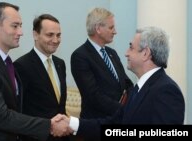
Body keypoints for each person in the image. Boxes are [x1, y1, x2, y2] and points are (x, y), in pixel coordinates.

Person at [0, 2, 70, 141]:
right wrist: (49, 126)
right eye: (15, 26)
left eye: (20, 26)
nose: (21, 32)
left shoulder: (4, 61)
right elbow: (1, 116)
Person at [55, 26, 185, 140]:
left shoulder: (166, 91)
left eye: (131, 47)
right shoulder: (138, 89)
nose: (126, 53)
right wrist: (71, 123)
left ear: (145, 53)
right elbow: (114, 123)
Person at [71, 7, 133, 121]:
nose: (115, 31)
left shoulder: (111, 53)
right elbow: (93, 96)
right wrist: (123, 109)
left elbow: (126, 82)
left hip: (119, 120)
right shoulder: (80, 56)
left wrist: (132, 103)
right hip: (96, 124)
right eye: (111, 27)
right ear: (98, 29)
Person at [14, 14, 69, 141]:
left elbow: (59, 106)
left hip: (62, 137)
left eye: (58, 35)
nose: (55, 40)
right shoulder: (21, 66)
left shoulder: (60, 64)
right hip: (36, 137)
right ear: (35, 34)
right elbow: (20, 110)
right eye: (50, 35)